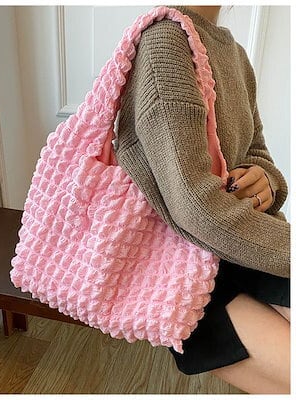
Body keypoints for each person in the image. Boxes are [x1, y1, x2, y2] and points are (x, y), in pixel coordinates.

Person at [115, 5, 290, 394]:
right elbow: (193, 207)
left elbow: (256, 151)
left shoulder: (233, 52)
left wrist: (267, 180)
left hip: (247, 249)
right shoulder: (165, 40)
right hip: (188, 272)